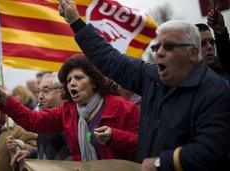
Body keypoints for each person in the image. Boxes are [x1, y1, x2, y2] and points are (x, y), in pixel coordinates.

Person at [58, 0, 230, 170]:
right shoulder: (151, 77)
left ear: (193, 53)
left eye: (169, 47)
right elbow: (109, 58)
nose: (160, 52)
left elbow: (209, 149)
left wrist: (160, 163)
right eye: (157, 47)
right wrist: (76, 22)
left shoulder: (214, 91)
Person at [0, 54, 140, 161]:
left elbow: (143, 144)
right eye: (69, 80)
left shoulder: (124, 107)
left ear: (94, 81)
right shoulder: (68, 111)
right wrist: (6, 101)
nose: (72, 83)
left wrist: (114, 137)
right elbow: (32, 120)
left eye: (78, 78)